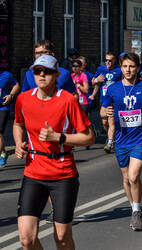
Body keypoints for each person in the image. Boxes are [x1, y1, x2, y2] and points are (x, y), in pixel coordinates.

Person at [13, 55, 94, 250]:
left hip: (63, 175)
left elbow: (89, 137)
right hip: (33, 173)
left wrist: (60, 137)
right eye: (37, 71)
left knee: (62, 237)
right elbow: (18, 123)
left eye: (47, 71)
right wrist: (18, 143)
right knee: (26, 239)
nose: (42, 74)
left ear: (56, 75)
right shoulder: (23, 99)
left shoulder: (67, 100)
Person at [100, 53, 142, 231]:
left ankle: (136, 211)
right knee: (127, 179)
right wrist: (107, 113)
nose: (128, 70)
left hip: (141, 138)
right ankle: (133, 207)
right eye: (125, 66)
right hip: (121, 140)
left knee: (134, 176)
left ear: (137, 68)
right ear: (121, 68)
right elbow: (103, 111)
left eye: (131, 66)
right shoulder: (113, 89)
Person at [21, 39, 77, 224]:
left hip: (58, 129)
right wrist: (21, 140)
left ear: (51, 54)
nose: (40, 56)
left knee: (53, 170)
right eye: (37, 53)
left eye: (43, 52)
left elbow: (72, 96)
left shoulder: (65, 74)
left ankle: (56, 206)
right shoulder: (31, 75)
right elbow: (24, 102)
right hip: (37, 133)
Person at [92, 52, 122, 153]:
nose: (108, 62)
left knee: (111, 120)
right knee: (104, 121)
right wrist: (96, 79)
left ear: (114, 61)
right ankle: (113, 135)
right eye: (106, 60)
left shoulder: (118, 70)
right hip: (103, 98)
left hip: (114, 99)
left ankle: (110, 142)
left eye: (110, 60)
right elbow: (93, 81)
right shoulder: (100, 69)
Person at [0, 71, 20, 168]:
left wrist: (10, 95)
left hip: (2, 108)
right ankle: (3, 153)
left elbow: (16, 85)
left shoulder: (5, 75)